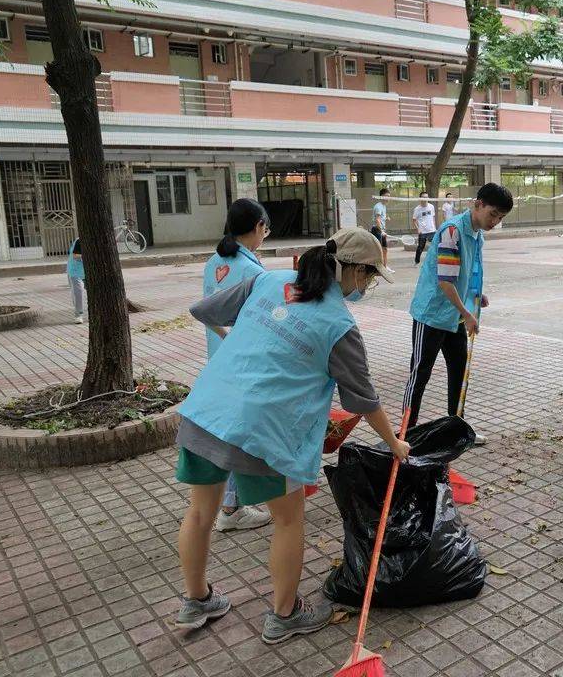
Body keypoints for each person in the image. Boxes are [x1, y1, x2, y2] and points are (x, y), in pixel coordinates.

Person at [173, 228, 408, 643]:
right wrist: (395, 444)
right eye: (370, 277)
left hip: (207, 411)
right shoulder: (339, 324)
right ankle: (284, 615)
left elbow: (203, 310)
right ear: (353, 271)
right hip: (264, 431)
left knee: (198, 514)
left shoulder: (268, 279)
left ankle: (196, 601)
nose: (367, 286)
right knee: (288, 519)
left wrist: (242, 342)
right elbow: (363, 401)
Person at [404, 183, 513, 444]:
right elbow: (445, 281)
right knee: (420, 374)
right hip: (431, 315)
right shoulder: (452, 231)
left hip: (454, 315)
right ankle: (405, 433)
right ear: (478, 204)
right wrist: (467, 312)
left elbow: (465, 274)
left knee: (459, 371)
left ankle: (457, 430)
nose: (495, 222)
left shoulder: (477, 235)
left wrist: (476, 295)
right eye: (493, 214)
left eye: (500, 218)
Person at [202, 198, 273, 533]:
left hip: (220, 360)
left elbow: (205, 309)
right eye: (265, 229)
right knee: (241, 433)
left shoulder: (214, 262)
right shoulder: (254, 272)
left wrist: (225, 336)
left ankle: (230, 501)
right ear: (258, 227)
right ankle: (231, 508)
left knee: (232, 429)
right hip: (246, 365)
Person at [412, 192, 437, 264]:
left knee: (435, 246)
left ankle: (434, 261)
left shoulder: (431, 206)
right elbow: (414, 220)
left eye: (426, 197)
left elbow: (433, 217)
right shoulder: (417, 209)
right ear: (420, 198)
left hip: (432, 230)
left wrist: (435, 227)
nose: (425, 199)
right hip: (422, 231)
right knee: (420, 247)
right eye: (423, 197)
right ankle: (417, 261)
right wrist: (418, 229)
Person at [67, 238, 85, 324]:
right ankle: (79, 315)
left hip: (88, 270)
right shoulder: (80, 241)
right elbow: (75, 255)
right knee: (78, 292)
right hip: (75, 270)